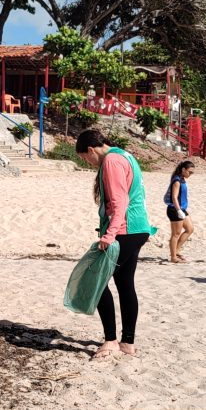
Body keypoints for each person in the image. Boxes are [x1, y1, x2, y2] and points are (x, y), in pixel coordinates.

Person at [75, 130, 156, 360]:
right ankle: (127, 343)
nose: (87, 163)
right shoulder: (125, 155)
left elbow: (120, 202)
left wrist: (109, 235)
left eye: (84, 158)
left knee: (96, 280)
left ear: (91, 150)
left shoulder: (111, 161)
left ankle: (110, 341)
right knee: (124, 283)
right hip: (138, 228)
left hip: (124, 230)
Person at [164, 161, 195, 263]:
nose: (190, 174)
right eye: (189, 172)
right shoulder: (177, 180)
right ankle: (173, 257)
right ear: (183, 170)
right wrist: (178, 210)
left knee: (190, 229)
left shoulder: (182, 179)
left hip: (182, 208)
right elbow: (174, 197)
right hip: (175, 209)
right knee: (175, 234)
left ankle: (176, 251)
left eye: (192, 173)